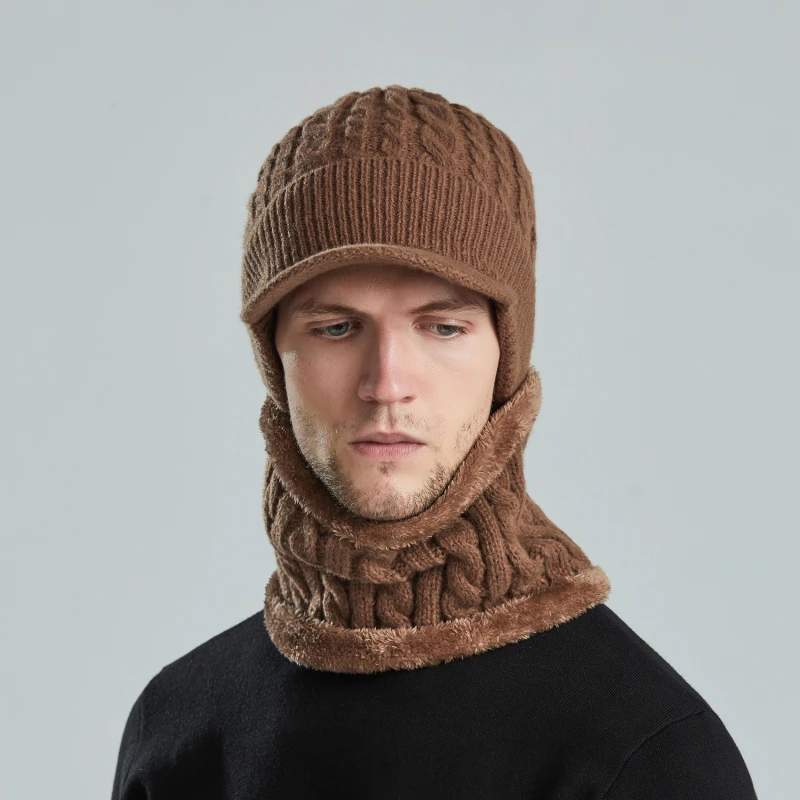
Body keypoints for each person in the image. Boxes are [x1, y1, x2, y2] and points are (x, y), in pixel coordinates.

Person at [111, 85, 758, 798]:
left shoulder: (646, 752)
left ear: (505, 356)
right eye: (336, 328)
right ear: (274, 359)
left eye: (443, 328)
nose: (387, 383)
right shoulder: (176, 731)